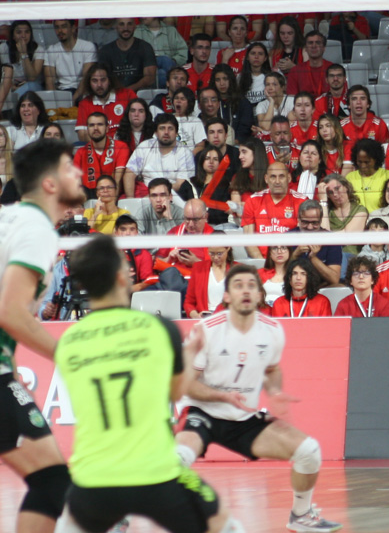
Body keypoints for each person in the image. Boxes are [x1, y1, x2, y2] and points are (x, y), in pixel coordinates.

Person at [52, 235, 245, 533]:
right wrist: (190, 353)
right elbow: (176, 391)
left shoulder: (68, 341)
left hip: (93, 478)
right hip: (157, 472)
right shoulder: (158, 329)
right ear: (121, 278)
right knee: (225, 525)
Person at [177, 264, 341, 531]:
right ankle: (123, 515)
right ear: (226, 295)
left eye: (251, 286)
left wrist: (274, 391)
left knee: (309, 452)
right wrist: (222, 396)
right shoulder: (206, 330)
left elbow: (272, 370)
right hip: (202, 411)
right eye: (238, 285)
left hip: (243, 418)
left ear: (259, 295)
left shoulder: (272, 330)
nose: (245, 291)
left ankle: (301, 515)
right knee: (176, 460)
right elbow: (186, 384)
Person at [0, 139, 81, 533]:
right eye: (69, 167)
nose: (78, 172)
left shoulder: (9, 218)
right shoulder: (36, 229)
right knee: (52, 481)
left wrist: (11, 369)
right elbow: (12, 313)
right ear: (50, 184)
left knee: (50, 481)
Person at [125, 114, 195, 197]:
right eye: (162, 128)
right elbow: (129, 174)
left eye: (170, 129)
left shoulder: (185, 152)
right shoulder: (145, 146)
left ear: (176, 133)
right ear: (156, 132)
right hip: (145, 193)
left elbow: (180, 184)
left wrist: (155, 195)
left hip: (173, 196)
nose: (166, 132)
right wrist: (131, 199)